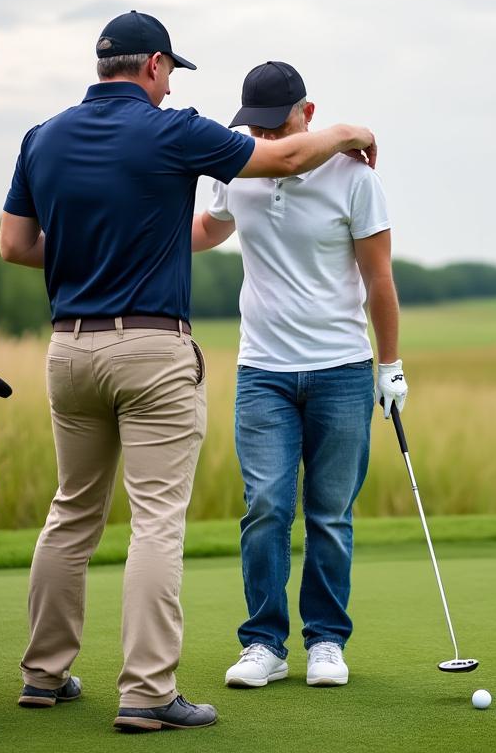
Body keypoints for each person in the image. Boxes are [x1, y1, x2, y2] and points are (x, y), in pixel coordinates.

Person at [0, 14, 377, 732]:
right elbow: (288, 161)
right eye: (170, 73)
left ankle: (42, 675)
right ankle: (145, 692)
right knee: (155, 524)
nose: (171, 87)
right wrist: (349, 132)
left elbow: (16, 245)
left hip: (68, 351)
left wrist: (88, 251)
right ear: (153, 66)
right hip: (150, 352)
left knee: (71, 512)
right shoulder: (174, 129)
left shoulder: (41, 137)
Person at [190, 61, 407, 689]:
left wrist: (389, 365)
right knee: (265, 507)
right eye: (253, 127)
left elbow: (380, 279)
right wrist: (142, 236)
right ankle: (264, 642)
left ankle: (326, 641)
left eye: (275, 126)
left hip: (340, 369)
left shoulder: (354, 179)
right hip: (263, 372)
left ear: (307, 116)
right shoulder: (243, 169)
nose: (265, 139)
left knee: (330, 512)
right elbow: (210, 227)